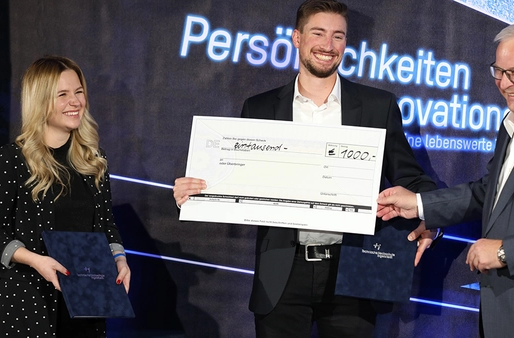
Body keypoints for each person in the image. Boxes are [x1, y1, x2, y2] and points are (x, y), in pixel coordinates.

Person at [174, 1, 438, 336]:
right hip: (282, 272)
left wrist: (433, 215)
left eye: (338, 36)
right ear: (297, 38)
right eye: (319, 33)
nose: (328, 46)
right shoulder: (259, 108)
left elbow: (411, 177)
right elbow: (235, 182)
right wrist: (195, 193)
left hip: (353, 270)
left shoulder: (378, 106)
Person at [376, 21, 514, 338]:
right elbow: (488, 194)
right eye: (499, 72)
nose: (505, 84)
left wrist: (504, 252)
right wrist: (418, 204)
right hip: (503, 313)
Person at [0, 55, 131, 338]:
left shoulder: (94, 161)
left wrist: (119, 260)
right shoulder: (13, 159)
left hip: (85, 311)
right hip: (28, 308)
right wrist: (35, 260)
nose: (75, 102)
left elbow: (107, 226)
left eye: (79, 92)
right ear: (41, 101)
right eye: (63, 95)